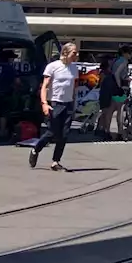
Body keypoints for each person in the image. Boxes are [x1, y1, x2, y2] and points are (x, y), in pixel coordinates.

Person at [29, 42, 80, 171]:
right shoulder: (53, 66)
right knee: (52, 132)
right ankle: (36, 149)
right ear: (65, 53)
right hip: (55, 103)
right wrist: (44, 104)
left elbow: (74, 88)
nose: (77, 55)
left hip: (68, 104)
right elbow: (44, 87)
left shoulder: (74, 68)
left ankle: (56, 161)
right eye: (74, 52)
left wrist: (74, 104)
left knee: (64, 134)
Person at [99, 45, 131, 139]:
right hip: (118, 87)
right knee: (120, 110)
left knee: (110, 109)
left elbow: (113, 72)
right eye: (129, 53)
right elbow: (117, 73)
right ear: (125, 53)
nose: (130, 56)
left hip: (110, 86)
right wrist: (119, 85)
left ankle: (107, 130)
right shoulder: (124, 61)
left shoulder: (116, 60)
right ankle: (120, 132)